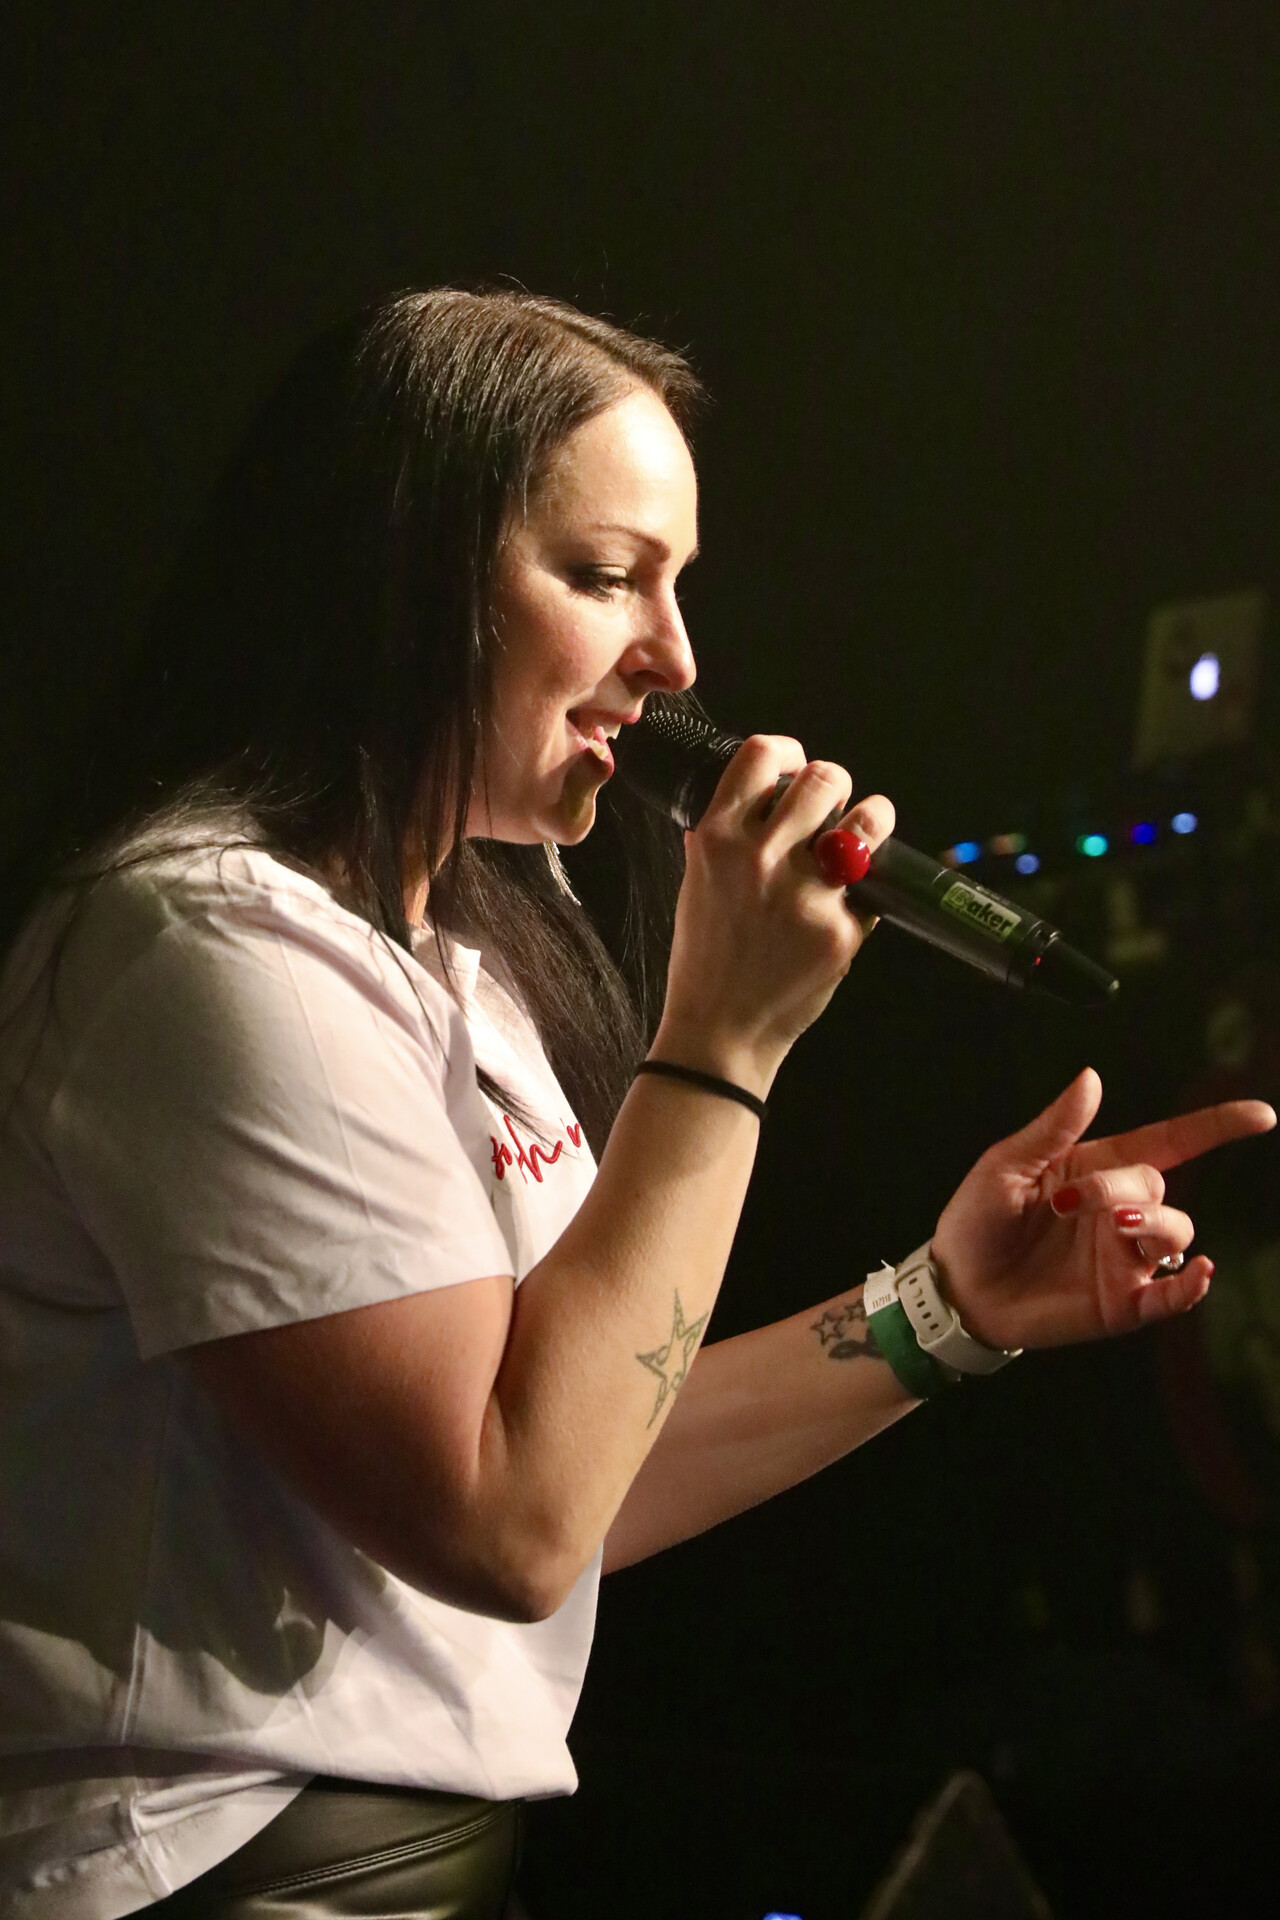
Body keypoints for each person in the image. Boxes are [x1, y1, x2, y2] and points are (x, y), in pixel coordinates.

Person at [0, 288, 1271, 1920]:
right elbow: (512, 1519)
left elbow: (589, 1461)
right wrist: (722, 1042)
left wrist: (943, 1310)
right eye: (607, 577)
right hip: (206, 1878)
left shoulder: (451, 962)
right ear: (401, 572)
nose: (675, 662)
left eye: (678, 586)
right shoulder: (204, 947)